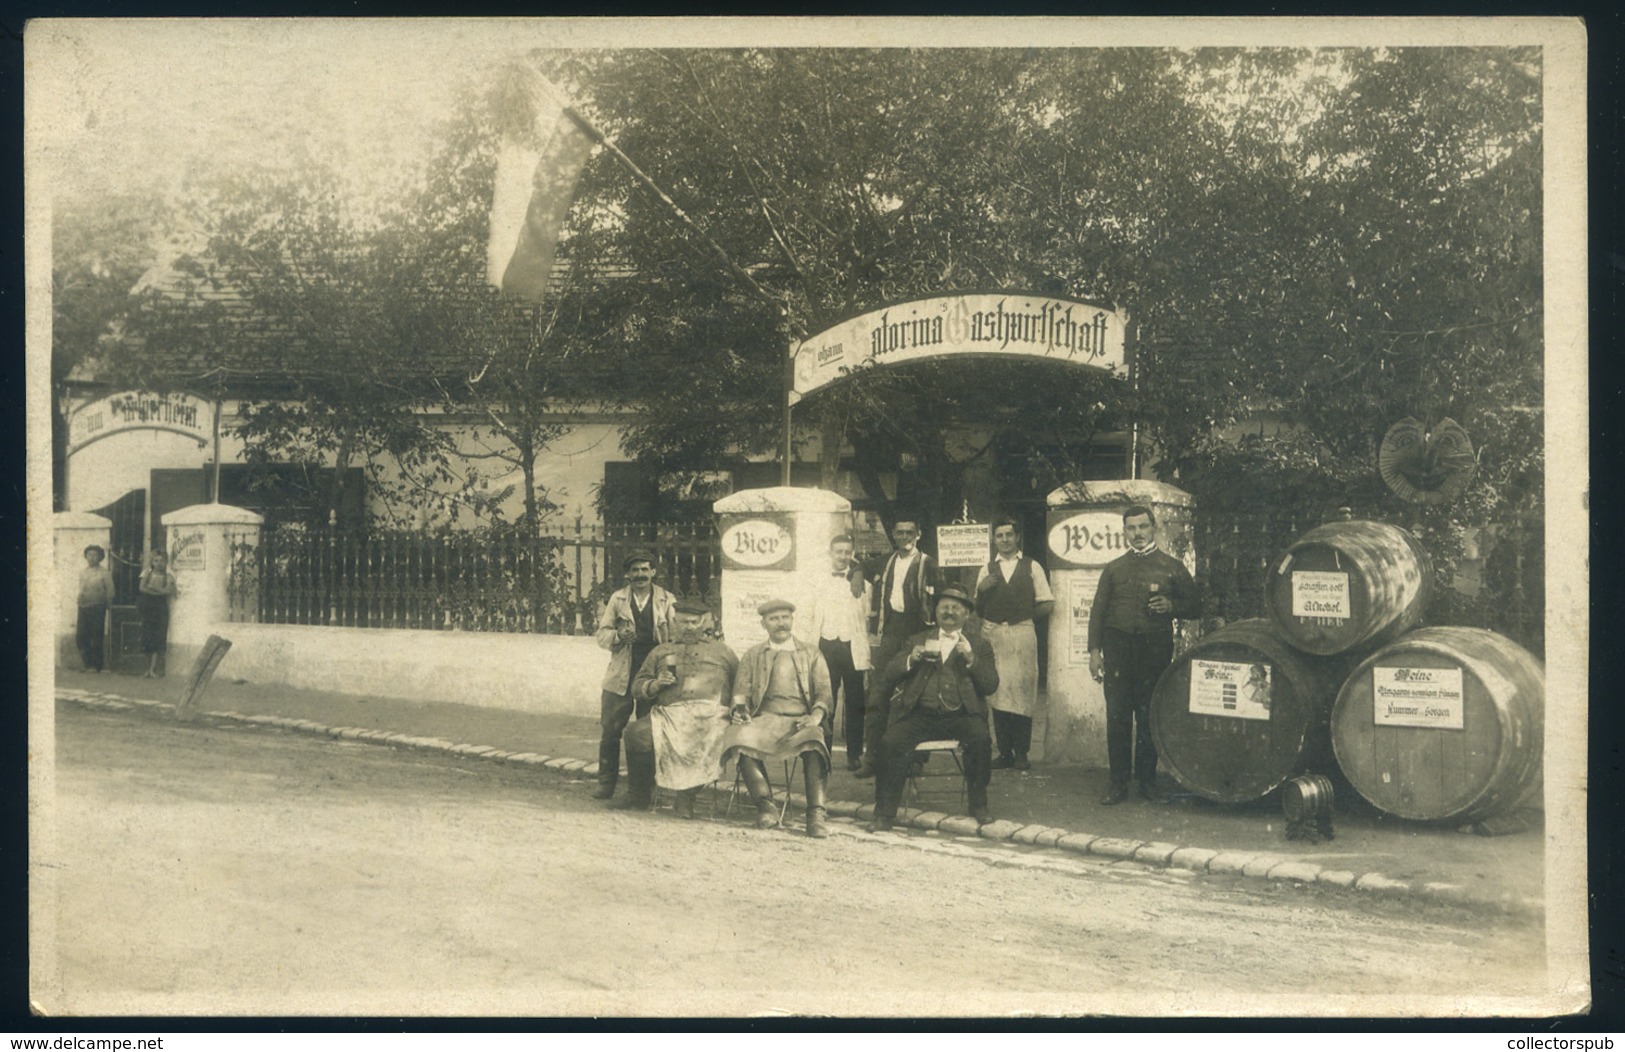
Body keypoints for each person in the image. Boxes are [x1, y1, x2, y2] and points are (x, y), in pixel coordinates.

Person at [1087, 504, 1200, 805]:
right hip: (1118, 648)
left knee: (1149, 714)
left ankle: (1147, 782)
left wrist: (1172, 606)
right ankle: (1118, 783)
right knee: (1118, 715)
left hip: (1154, 647)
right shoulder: (1113, 568)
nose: (1137, 533)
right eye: (1131, 528)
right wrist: (1094, 652)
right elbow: (1098, 613)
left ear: (1154, 529)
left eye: (1143, 527)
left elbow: (1196, 605)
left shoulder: (1171, 566)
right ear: (1124, 532)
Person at [866, 584, 999, 832]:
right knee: (891, 742)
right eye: (944, 607)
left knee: (980, 739)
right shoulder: (917, 640)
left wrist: (971, 659)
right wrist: (910, 659)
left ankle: (979, 806)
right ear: (936, 611)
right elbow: (890, 673)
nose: (949, 612)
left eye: (956, 608)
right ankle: (884, 813)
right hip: (921, 715)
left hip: (961, 715)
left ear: (967, 614)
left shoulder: (979, 645)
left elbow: (991, 685)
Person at [722, 600, 835, 837]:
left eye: (785, 617)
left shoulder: (811, 652)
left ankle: (815, 814)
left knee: (814, 741)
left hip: (801, 721)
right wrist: (739, 710)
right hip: (765, 720)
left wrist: (816, 715)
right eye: (774, 619)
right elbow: (740, 690)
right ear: (763, 624)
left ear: (792, 620)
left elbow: (824, 689)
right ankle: (766, 806)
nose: (781, 623)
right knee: (737, 736)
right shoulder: (753, 654)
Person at [622, 599, 739, 817]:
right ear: (675, 622)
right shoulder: (661, 651)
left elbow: (741, 686)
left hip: (712, 716)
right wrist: (655, 684)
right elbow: (637, 686)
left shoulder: (723, 652)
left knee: (719, 739)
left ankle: (686, 797)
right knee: (636, 733)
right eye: (684, 622)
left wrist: (737, 710)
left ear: (704, 623)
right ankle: (638, 794)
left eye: (694, 622)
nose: (689, 627)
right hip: (671, 715)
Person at [592, 553, 678, 803]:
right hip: (621, 674)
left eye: (645, 570)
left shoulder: (666, 600)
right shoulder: (618, 599)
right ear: (628, 575)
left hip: (651, 674)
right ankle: (606, 783)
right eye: (635, 570)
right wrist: (618, 636)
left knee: (647, 731)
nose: (640, 575)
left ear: (653, 572)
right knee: (611, 730)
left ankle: (644, 786)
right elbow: (602, 635)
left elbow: (674, 637)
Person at [855, 518, 937, 779]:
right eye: (899, 532)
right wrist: (857, 575)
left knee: (919, 695)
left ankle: (915, 759)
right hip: (890, 634)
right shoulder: (885, 561)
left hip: (918, 634)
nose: (904, 536)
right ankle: (872, 759)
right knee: (878, 694)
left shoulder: (929, 563)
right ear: (893, 534)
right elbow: (858, 567)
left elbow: (943, 598)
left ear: (919, 533)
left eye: (909, 532)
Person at [975, 519, 1054, 771]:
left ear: (1017, 537)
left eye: (1009, 534)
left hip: (1021, 633)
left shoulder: (1031, 566)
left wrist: (1023, 615)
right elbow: (976, 608)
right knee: (997, 689)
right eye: (1000, 535)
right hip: (993, 633)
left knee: (1021, 689)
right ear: (994, 539)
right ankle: (1005, 752)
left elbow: (1047, 602)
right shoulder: (987, 568)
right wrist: (982, 589)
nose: (1005, 539)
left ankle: (1022, 752)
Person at [809, 533, 870, 771]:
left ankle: (854, 754)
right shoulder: (818, 580)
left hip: (851, 646)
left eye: (847, 552)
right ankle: (824, 752)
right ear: (830, 553)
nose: (843, 557)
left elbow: (866, 616)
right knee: (826, 700)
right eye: (839, 552)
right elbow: (809, 614)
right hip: (826, 645)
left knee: (856, 702)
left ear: (852, 554)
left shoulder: (863, 583)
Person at [137, 550, 178, 678]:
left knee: (158, 636)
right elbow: (142, 588)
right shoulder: (146, 573)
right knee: (146, 636)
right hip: (148, 607)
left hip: (160, 608)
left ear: (166, 562)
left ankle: (153, 669)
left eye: (162, 561)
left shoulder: (169, 575)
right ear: (152, 562)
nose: (159, 564)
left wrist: (152, 588)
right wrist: (158, 591)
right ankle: (147, 668)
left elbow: (168, 591)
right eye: (156, 561)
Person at [76, 544, 115, 674]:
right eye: (89, 555)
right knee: (81, 636)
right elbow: (82, 589)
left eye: (95, 555)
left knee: (96, 635)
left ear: (100, 557)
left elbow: (110, 591)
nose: (92, 558)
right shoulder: (83, 572)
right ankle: (87, 663)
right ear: (86, 557)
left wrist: (109, 605)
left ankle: (96, 665)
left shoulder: (104, 573)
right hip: (83, 607)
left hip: (98, 606)